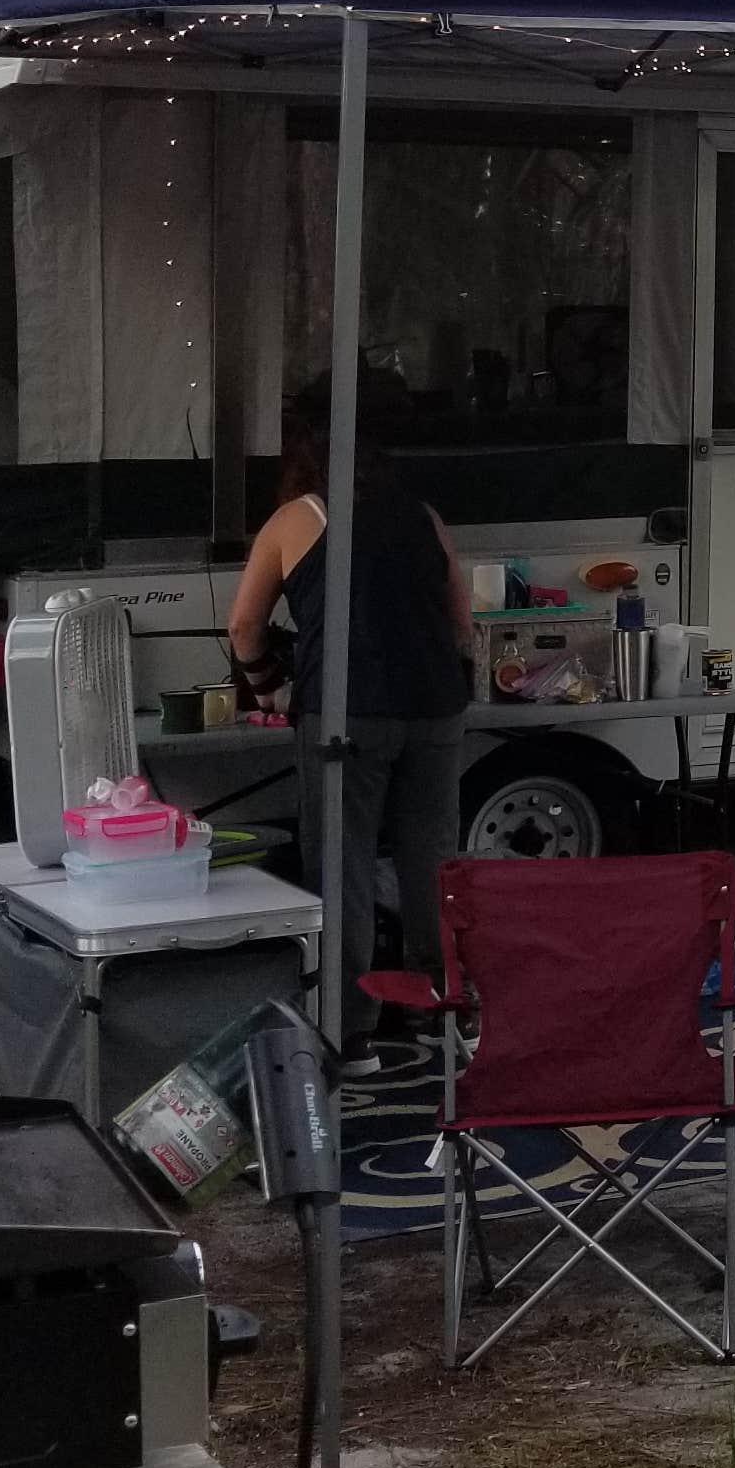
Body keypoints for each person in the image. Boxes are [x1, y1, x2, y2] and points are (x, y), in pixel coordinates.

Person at [227, 371, 475, 1057]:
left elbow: (245, 624)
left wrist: (268, 685)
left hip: (346, 715)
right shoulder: (424, 515)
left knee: (345, 868)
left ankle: (350, 1030)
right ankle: (442, 1014)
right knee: (433, 862)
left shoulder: (295, 519)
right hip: (434, 711)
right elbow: (463, 626)